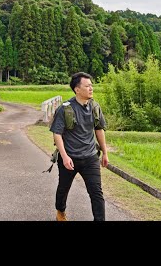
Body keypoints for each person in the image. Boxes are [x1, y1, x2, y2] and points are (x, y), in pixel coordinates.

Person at [49, 72, 108, 221]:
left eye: (91, 86)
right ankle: (60, 211)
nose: (91, 88)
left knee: (96, 193)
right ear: (77, 89)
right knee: (63, 189)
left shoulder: (95, 107)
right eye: (87, 86)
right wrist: (64, 156)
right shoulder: (65, 109)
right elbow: (57, 134)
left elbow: (99, 129)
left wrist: (105, 153)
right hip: (69, 158)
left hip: (90, 158)